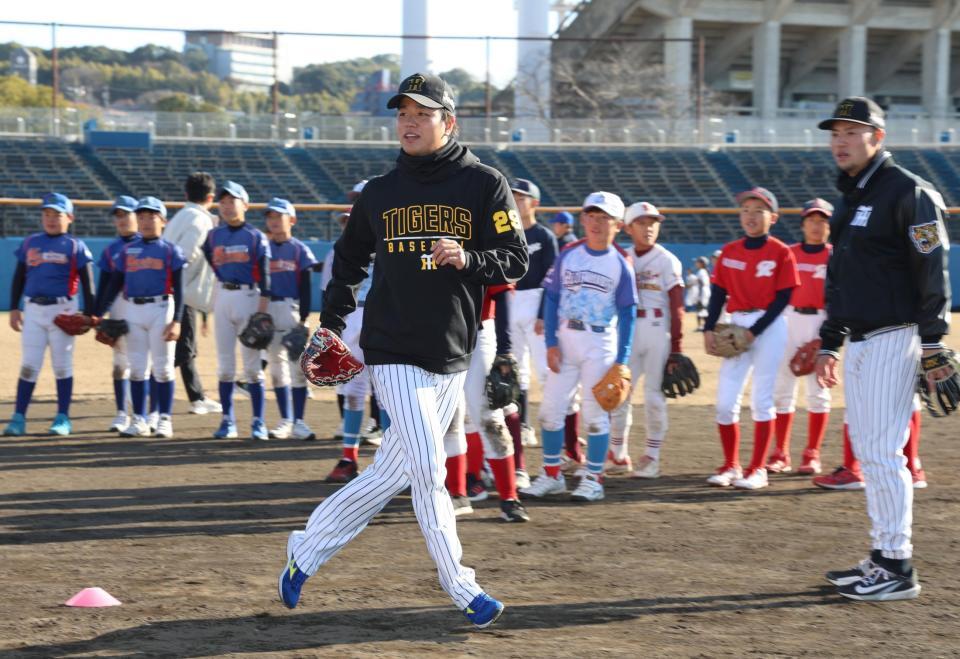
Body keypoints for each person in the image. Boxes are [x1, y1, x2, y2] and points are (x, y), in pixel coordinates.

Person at [278, 72, 528, 628]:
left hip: (452, 350)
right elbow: (348, 263)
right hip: (390, 348)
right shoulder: (380, 193)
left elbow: (515, 258)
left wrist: (468, 259)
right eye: (402, 113)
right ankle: (462, 586)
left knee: (392, 471)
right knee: (430, 467)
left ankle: (307, 547)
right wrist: (334, 324)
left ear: (449, 121)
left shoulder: (484, 184)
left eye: (422, 112)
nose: (409, 122)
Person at [814, 97, 950, 601]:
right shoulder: (853, 197)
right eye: (835, 133)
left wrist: (935, 341)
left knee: (881, 453)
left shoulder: (910, 192)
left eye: (852, 131)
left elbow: (932, 267)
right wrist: (830, 342)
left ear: (878, 137)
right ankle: (881, 556)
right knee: (871, 456)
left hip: (898, 335)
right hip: (862, 340)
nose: (840, 141)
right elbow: (842, 276)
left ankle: (897, 566)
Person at [520, 191, 637, 502]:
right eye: (591, 216)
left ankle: (593, 479)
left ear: (618, 225)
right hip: (565, 339)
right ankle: (551, 475)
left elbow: (627, 313)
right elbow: (554, 297)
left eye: (604, 218)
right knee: (550, 411)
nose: (596, 223)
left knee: (595, 413)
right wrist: (551, 343)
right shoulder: (569, 253)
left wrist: (621, 360)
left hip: (600, 342)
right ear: (583, 218)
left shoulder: (621, 263)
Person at [704, 187, 799, 491]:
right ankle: (731, 465)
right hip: (736, 323)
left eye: (759, 210)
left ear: (773, 217)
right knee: (724, 402)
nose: (751, 216)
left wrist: (754, 331)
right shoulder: (730, 251)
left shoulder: (782, 251)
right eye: (746, 210)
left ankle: (758, 469)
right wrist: (709, 328)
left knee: (762, 398)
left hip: (768, 326)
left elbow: (784, 297)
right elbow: (718, 293)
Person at [3, 193, 95, 437]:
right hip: (33, 309)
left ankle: (62, 417)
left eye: (57, 214)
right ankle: (18, 417)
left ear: (70, 218)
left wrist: (91, 314)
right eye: (47, 214)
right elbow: (19, 276)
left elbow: (88, 282)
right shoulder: (30, 242)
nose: (51, 219)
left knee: (62, 366)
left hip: (62, 309)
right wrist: (14, 307)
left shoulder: (75, 245)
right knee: (29, 366)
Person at [608, 202, 685, 479]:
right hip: (627, 329)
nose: (649, 227)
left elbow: (677, 306)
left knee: (654, 397)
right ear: (628, 228)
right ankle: (617, 454)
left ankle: (652, 456)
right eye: (641, 222)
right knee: (619, 394)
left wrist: (677, 347)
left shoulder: (667, 259)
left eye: (653, 222)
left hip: (656, 328)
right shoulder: (622, 257)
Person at [96, 197, 185, 438]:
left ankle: (164, 419)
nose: (146, 221)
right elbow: (113, 285)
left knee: (164, 368)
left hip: (161, 307)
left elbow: (180, 288)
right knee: (137, 369)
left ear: (163, 221)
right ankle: (139, 419)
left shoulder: (170, 250)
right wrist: (96, 313)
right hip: (133, 310)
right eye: (142, 216)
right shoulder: (127, 251)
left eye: (152, 216)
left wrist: (177, 320)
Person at [202, 180, 272, 440]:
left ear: (245, 205)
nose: (228, 206)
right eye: (223, 202)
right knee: (225, 365)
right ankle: (227, 420)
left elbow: (265, 276)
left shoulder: (255, 236)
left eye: (233, 201)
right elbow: (209, 257)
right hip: (223, 294)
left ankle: (258, 422)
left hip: (248, 296)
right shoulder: (213, 235)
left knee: (252, 367)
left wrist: (262, 311)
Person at [767, 198, 833, 475]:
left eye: (822, 221)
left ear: (829, 226)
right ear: (803, 224)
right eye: (811, 220)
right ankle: (780, 452)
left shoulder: (836, 255)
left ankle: (812, 453)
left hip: (823, 319)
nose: (816, 226)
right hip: (790, 318)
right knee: (782, 389)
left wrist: (830, 333)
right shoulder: (789, 253)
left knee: (819, 391)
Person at [163, 172, 221, 416]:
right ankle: (196, 398)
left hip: (175, 289)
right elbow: (186, 256)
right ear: (211, 197)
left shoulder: (181, 216)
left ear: (186, 194)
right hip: (180, 291)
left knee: (183, 347)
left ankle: (195, 395)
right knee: (185, 347)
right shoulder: (200, 220)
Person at [506, 178, 557, 454]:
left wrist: (542, 314)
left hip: (537, 300)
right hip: (512, 301)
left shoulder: (544, 236)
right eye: (512, 196)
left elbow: (553, 279)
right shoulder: (507, 235)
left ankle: (555, 422)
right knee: (516, 371)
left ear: (534, 203)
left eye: (521, 197)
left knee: (546, 370)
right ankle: (523, 425)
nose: (516, 201)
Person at [262, 198, 317, 441]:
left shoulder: (299, 250)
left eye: (279, 216)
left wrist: (304, 320)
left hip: (292, 308)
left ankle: (299, 422)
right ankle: (285, 420)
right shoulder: (263, 248)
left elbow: (306, 288)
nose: (274, 221)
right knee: (276, 368)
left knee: (298, 369)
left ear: (291, 220)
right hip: (269, 308)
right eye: (270, 217)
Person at [96, 195, 142, 432]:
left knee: (143, 364)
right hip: (117, 307)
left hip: (145, 308)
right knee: (119, 364)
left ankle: (145, 414)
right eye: (118, 215)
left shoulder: (150, 244)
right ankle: (122, 413)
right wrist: (95, 313)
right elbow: (104, 285)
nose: (122, 220)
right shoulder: (111, 250)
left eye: (127, 214)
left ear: (138, 216)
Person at [693, 257, 711, 331]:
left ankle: (702, 326)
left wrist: (699, 295)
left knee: (700, 309)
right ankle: (705, 325)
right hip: (705, 291)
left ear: (702, 263)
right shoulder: (704, 271)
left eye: (697, 261)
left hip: (702, 292)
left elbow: (701, 283)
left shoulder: (701, 271)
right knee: (703, 309)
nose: (696, 263)